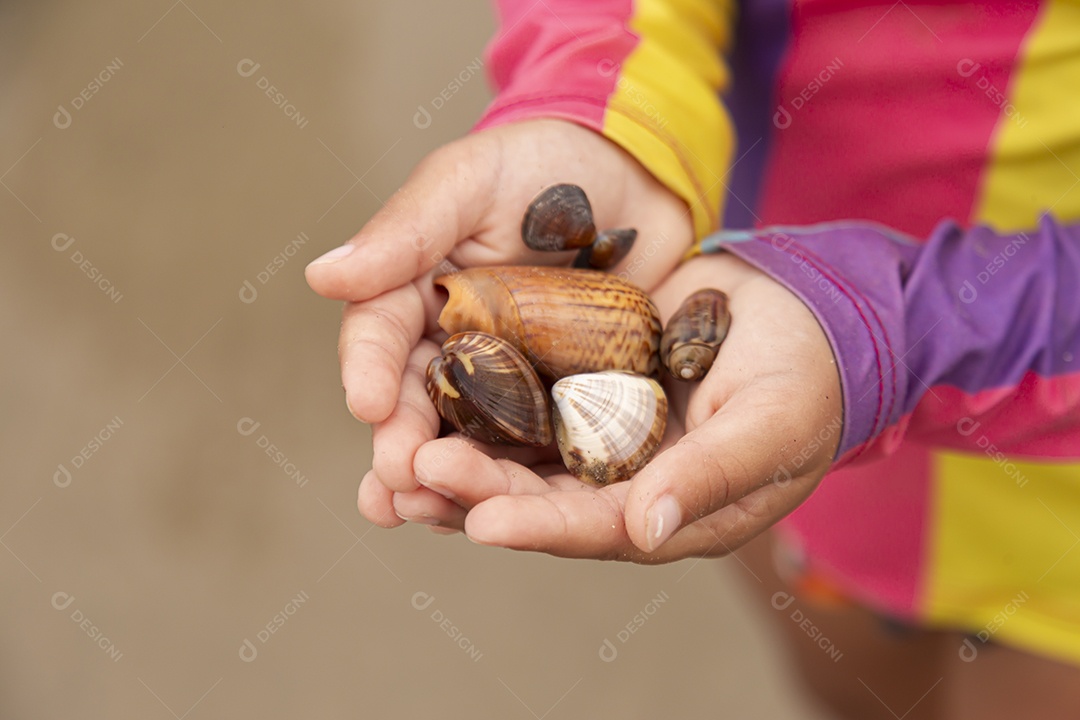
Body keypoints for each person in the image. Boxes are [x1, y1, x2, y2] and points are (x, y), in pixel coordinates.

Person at [306, 1, 1080, 717]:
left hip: (1051, 526)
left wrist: (893, 328)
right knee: (851, 685)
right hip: (778, 399)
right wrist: (598, 108)